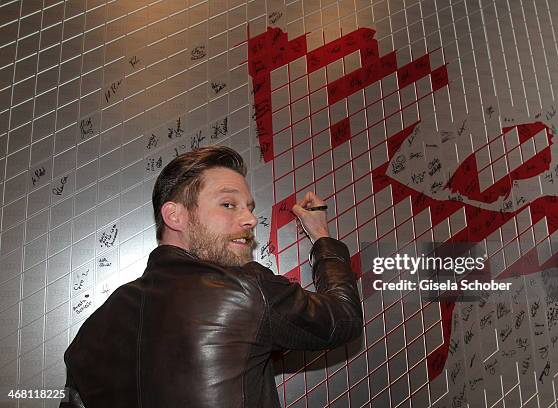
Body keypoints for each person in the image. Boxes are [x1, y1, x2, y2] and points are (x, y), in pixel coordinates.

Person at [60, 146, 363, 407]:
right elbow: (344, 317)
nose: (250, 219)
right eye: (228, 204)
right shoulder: (247, 288)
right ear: (175, 216)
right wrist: (322, 237)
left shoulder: (92, 331)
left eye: (249, 207)